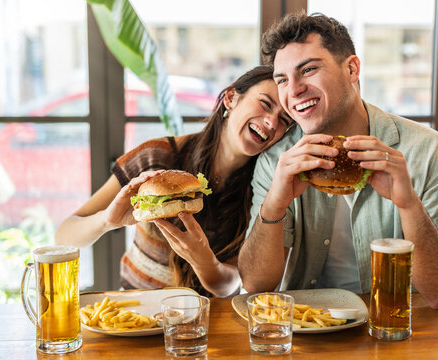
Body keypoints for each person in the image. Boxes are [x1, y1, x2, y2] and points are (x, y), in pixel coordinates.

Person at [237, 13, 438, 309]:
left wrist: (409, 205)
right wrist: (275, 202)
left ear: (352, 69)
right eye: (282, 80)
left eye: (308, 70)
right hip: (305, 332)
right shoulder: (277, 161)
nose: (293, 91)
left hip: (396, 330)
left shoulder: (429, 152)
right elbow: (255, 285)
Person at [55, 65, 294, 297]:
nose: (272, 123)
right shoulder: (156, 156)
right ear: (231, 98)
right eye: (265, 104)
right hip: (136, 313)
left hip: (203, 323)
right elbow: (64, 237)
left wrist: (204, 261)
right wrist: (106, 221)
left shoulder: (263, 188)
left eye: (284, 119)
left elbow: (231, 287)